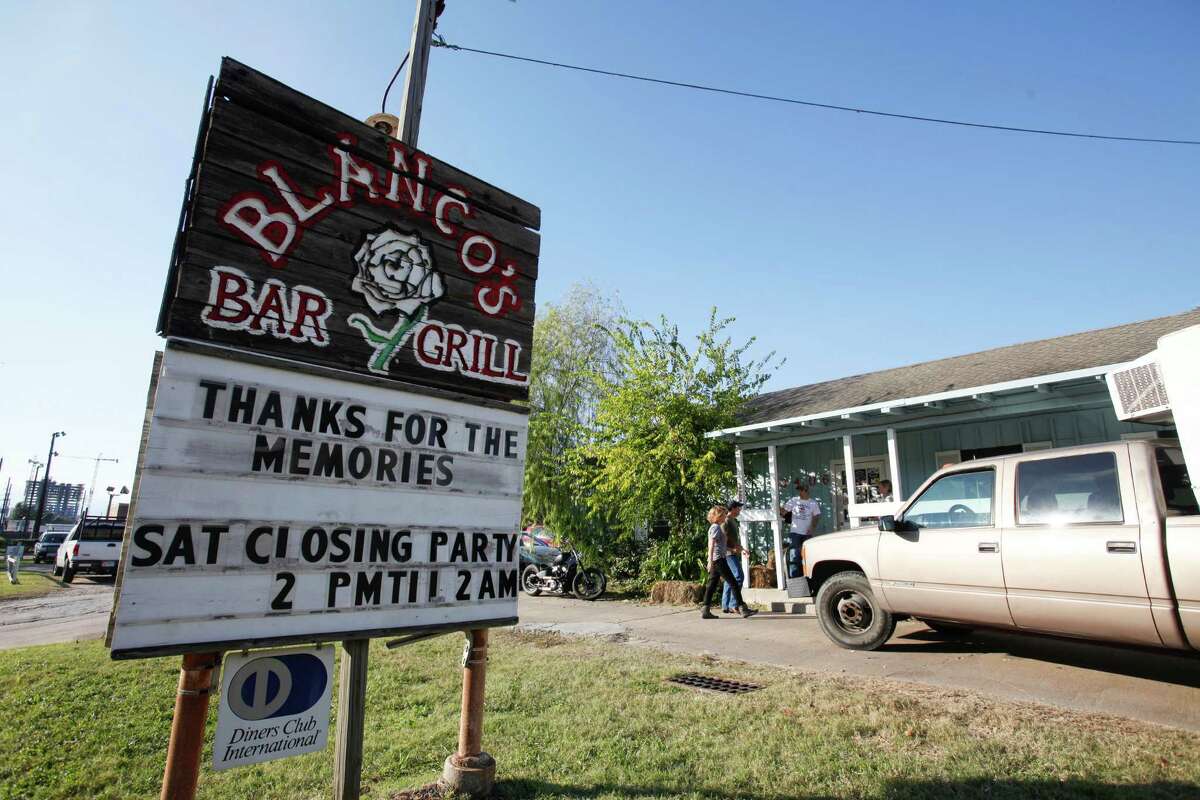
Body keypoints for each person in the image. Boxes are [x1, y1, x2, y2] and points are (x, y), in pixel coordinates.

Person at [701, 505, 756, 619]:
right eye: (723, 514)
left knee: (712, 584)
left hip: (718, 558)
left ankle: (705, 609)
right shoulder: (715, 527)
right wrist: (710, 561)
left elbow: (722, 546)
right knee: (734, 583)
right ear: (718, 516)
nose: (725, 516)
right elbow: (711, 545)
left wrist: (737, 549)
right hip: (718, 560)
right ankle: (742, 608)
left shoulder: (717, 527)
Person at [781, 482, 821, 578]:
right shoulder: (794, 500)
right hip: (795, 532)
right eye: (799, 490)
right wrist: (779, 509)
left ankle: (806, 577)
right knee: (794, 556)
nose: (799, 492)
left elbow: (816, 516)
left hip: (807, 534)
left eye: (801, 490)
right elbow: (783, 512)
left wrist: (812, 528)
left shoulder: (813, 503)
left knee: (807, 556)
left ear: (806, 491)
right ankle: (795, 579)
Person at [721, 500, 745, 614]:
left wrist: (742, 549)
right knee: (739, 576)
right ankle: (733, 604)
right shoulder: (725, 522)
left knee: (729, 579)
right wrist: (732, 549)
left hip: (732, 552)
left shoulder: (733, 521)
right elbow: (723, 541)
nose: (740, 510)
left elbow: (732, 539)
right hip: (728, 554)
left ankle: (725, 605)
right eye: (739, 508)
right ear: (734, 508)